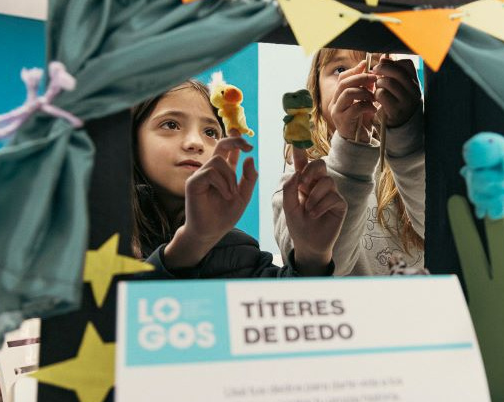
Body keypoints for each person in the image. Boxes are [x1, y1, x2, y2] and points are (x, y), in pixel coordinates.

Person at [131, 79, 346, 277]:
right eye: (170, 125)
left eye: (210, 132)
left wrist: (312, 258)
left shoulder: (237, 249)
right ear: (130, 140)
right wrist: (191, 245)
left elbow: (279, 302)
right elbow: (116, 300)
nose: (195, 142)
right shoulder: (112, 235)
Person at [272, 49, 426, 276]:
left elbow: (445, 231)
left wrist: (408, 136)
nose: (358, 78)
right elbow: (320, 270)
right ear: (316, 92)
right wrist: (350, 152)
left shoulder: (416, 159)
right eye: (340, 69)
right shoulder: (301, 176)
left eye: (373, 67)